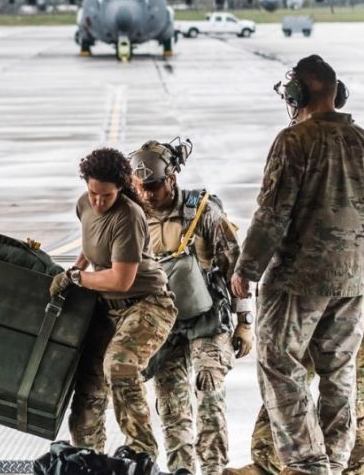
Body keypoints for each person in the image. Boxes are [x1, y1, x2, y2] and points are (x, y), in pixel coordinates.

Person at [229, 55, 364, 475]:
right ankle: (334, 462)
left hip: (301, 278)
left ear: (296, 95)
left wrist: (247, 268)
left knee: (280, 362)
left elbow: (272, 214)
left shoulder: (293, 141)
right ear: (338, 94)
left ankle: (306, 464)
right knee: (339, 372)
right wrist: (359, 264)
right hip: (355, 279)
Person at [128, 139, 253, 475]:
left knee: (209, 389)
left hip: (207, 317)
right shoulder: (133, 217)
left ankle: (213, 467)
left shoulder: (204, 212)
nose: (149, 194)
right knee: (171, 404)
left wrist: (244, 321)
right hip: (162, 322)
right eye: (142, 187)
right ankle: (181, 469)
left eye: (154, 186)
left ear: (172, 178)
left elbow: (235, 268)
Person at [49, 147, 177, 462]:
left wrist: (76, 279)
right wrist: (75, 269)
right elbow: (90, 248)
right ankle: (87, 458)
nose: (98, 201)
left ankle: (141, 454)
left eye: (106, 196)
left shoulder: (128, 217)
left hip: (147, 304)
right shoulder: (85, 205)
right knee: (88, 386)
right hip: (109, 309)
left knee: (119, 366)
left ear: (119, 189)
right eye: (93, 193)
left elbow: (121, 280)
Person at [226, 268, 364, 475]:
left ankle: (355, 467)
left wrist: (247, 267)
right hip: (302, 282)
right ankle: (268, 463)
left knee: (351, 382)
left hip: (351, 285)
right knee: (285, 379)